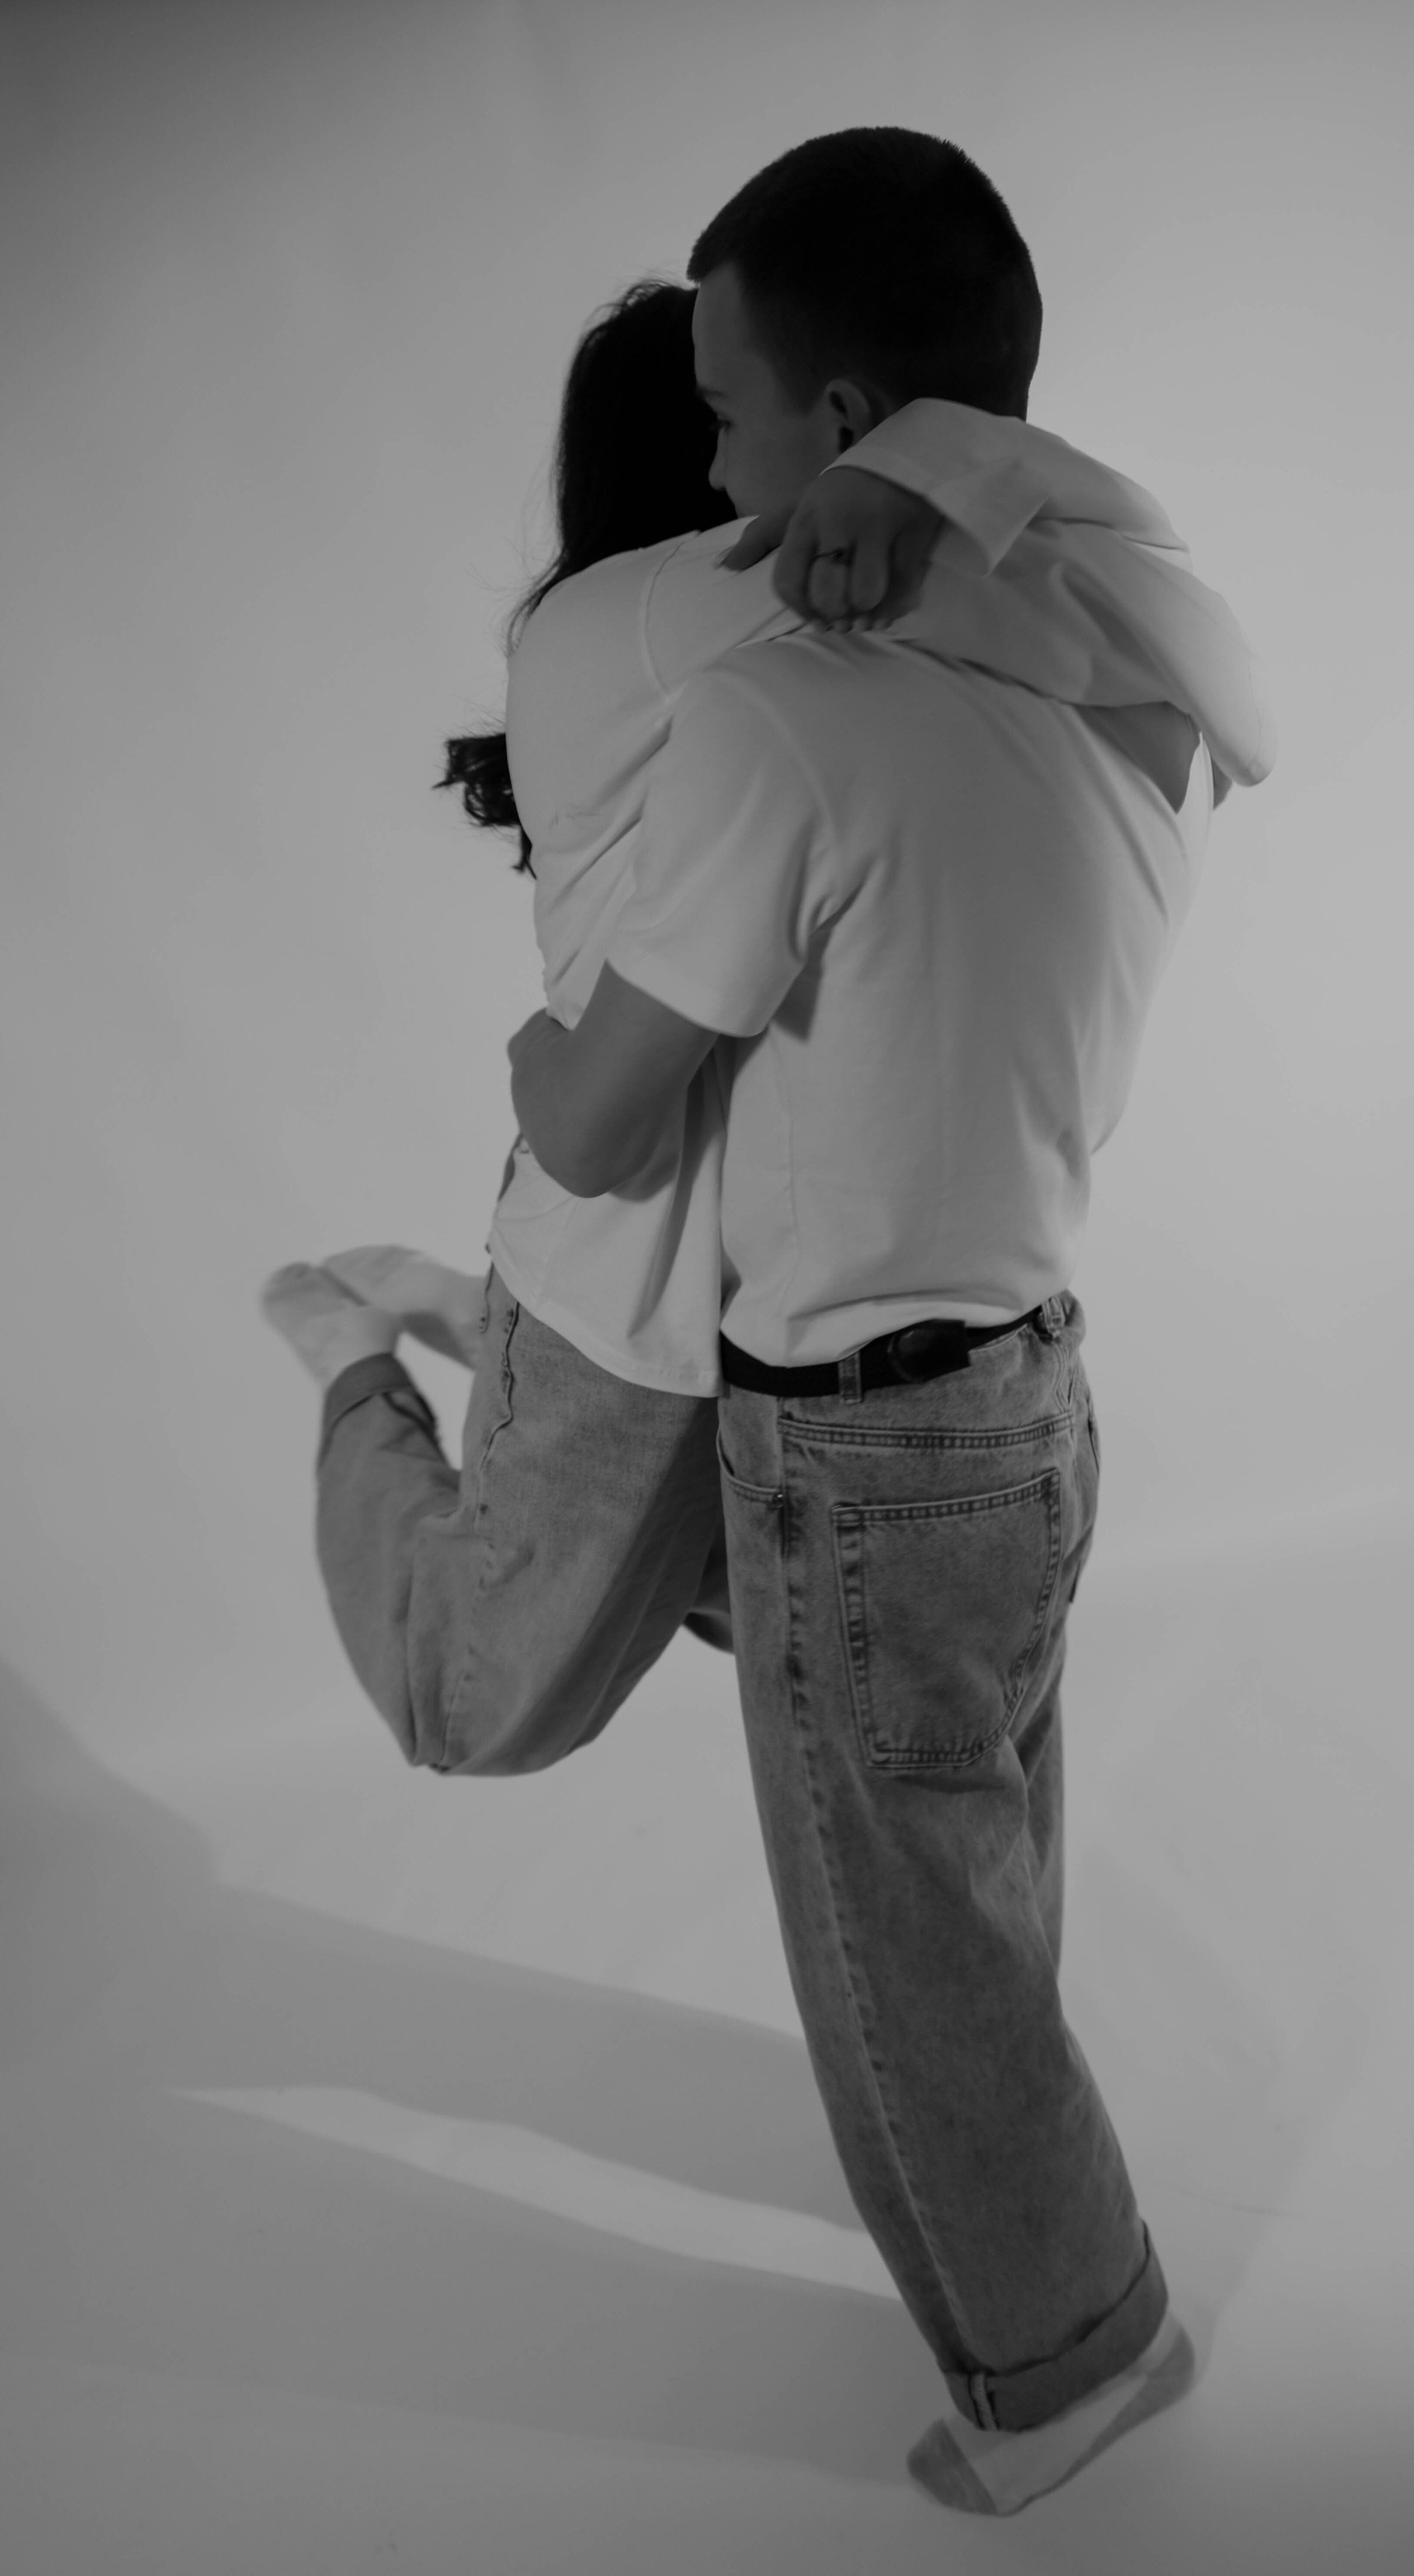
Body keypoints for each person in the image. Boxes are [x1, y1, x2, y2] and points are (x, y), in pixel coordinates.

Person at [504, 127, 1273, 2515]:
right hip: (1030, 1402)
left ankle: (1067, 2360)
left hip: (850, 1444)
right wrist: (948, 470)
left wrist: (530, 1047)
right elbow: (1160, 566)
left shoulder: (781, 718)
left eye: (734, 414)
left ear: (843, 421)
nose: (715, 471)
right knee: (971, 1886)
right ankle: (1049, 2244)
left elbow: (603, 1129)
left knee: (896, 1948)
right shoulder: (1133, 686)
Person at [262, 262, 1269, 1783]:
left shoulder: (841, 639)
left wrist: (924, 474)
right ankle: (358, 1357)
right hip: (620, 1290)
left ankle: (472, 1331)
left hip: (794, 1321)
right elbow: (1161, 639)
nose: (755, 463)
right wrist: (934, 467)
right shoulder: (636, 615)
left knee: (809, 1639)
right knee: (467, 1708)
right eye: (724, 421)